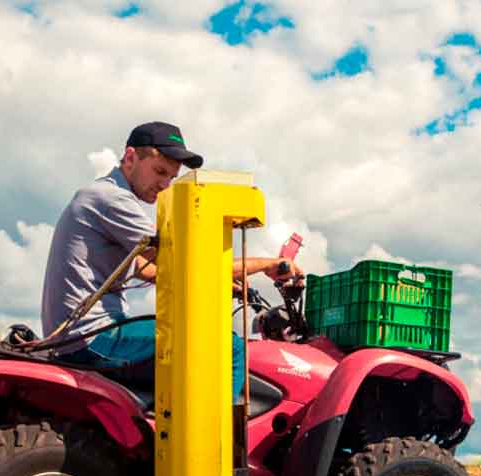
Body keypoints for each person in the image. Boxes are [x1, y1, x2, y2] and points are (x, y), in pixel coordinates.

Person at [40, 122, 300, 396]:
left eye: (171, 177)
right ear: (130, 157)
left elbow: (147, 269)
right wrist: (269, 264)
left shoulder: (100, 196)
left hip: (78, 337)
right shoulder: (113, 199)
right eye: (160, 171)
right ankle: (218, 439)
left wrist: (221, 281)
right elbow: (191, 262)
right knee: (229, 348)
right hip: (94, 337)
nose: (165, 185)